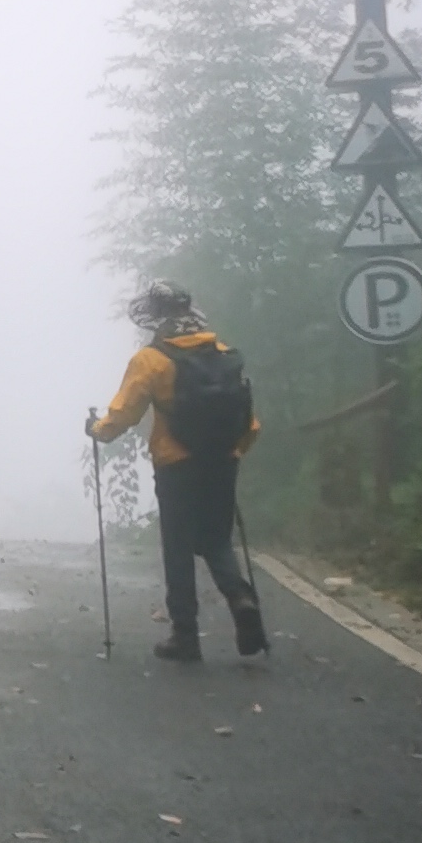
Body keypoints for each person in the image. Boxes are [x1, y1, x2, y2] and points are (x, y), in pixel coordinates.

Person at [88, 281, 269, 663]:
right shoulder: (223, 354)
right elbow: (248, 421)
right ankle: (240, 597)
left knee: (178, 546)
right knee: (217, 539)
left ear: (155, 315)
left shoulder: (151, 360)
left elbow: (124, 414)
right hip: (223, 460)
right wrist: (234, 451)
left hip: (176, 465)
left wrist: (98, 430)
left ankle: (185, 636)